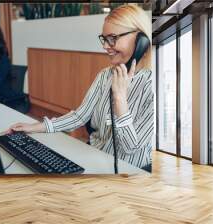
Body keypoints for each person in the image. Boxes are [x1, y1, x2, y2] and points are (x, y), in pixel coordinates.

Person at [8, 5, 153, 172]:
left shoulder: (151, 87)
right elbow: (79, 116)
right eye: (104, 39)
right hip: (95, 156)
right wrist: (36, 126)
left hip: (131, 171)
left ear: (141, 40)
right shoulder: (105, 75)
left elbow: (130, 148)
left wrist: (120, 99)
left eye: (112, 38)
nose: (105, 46)